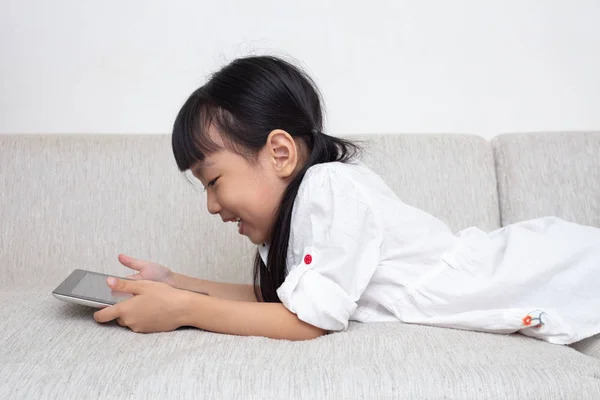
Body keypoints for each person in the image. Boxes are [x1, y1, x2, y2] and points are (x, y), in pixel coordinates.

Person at [93, 56, 600, 344]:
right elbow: (281, 303)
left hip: (545, 266)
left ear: (280, 153)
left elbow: (305, 322)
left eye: (212, 180)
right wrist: (174, 282)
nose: (210, 205)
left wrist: (181, 309)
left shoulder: (329, 189)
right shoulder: (298, 225)